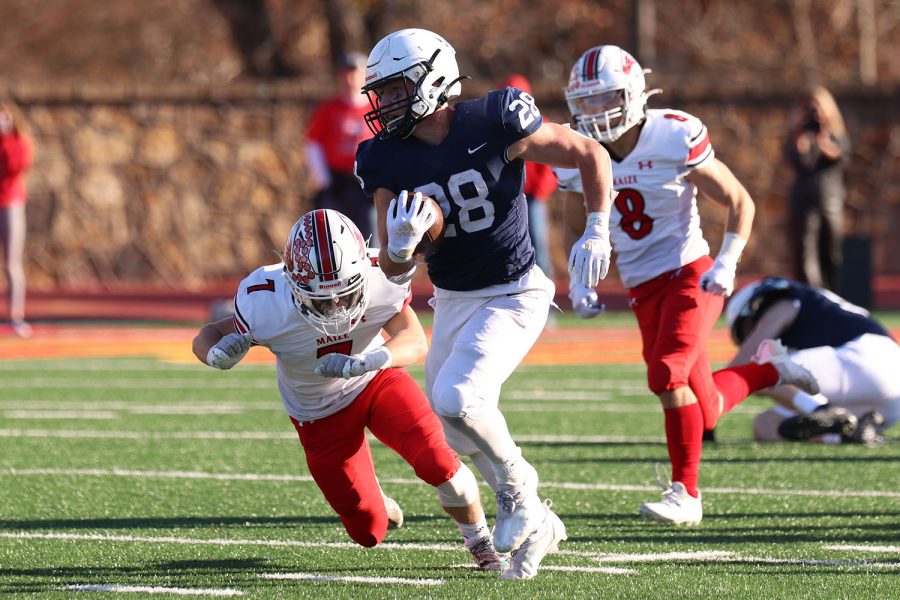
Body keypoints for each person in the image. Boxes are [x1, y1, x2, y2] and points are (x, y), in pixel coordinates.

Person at [354, 28, 615, 579]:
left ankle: (521, 495)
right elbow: (396, 271)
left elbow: (588, 151)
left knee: (460, 396)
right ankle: (538, 518)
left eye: (397, 89)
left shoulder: (494, 120)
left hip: (515, 291)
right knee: (452, 429)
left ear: (433, 78)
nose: (386, 104)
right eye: (383, 93)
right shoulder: (385, 158)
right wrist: (399, 249)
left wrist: (596, 229)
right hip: (451, 298)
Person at [556, 45, 820, 525]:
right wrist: (581, 279)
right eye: (587, 102)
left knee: (666, 374)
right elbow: (582, 219)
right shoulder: (575, 153)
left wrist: (727, 261)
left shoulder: (672, 136)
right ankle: (769, 370)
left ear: (634, 95)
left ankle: (687, 494)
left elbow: (739, 200)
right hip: (641, 286)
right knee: (709, 409)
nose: (595, 113)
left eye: (606, 99)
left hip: (688, 272)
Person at [192, 209, 505, 570]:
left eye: (346, 293)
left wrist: (367, 362)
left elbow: (415, 341)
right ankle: (375, 499)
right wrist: (215, 354)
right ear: (293, 284)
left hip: (375, 381)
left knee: (439, 462)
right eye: (322, 300)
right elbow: (210, 333)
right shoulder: (266, 302)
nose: (337, 306)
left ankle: (480, 540)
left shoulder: (380, 275)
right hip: (317, 413)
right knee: (368, 531)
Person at [725, 276, 898, 446]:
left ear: (753, 307)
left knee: (756, 371)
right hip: (889, 397)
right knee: (766, 425)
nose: (748, 338)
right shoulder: (813, 307)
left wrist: (707, 400)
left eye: (745, 330)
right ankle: (849, 434)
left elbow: (742, 367)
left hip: (865, 357)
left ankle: (823, 409)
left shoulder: (784, 299)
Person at [304, 52, 375, 240]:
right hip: (339, 184)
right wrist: (325, 180)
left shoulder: (378, 107)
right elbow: (313, 145)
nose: (350, 78)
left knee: (371, 235)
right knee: (333, 237)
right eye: (345, 73)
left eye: (355, 72)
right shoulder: (328, 110)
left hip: (368, 184)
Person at [785, 85, 850, 291]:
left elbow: (841, 158)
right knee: (804, 255)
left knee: (830, 254)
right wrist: (799, 135)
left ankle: (830, 299)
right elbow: (796, 161)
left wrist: (823, 140)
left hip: (830, 200)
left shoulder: (836, 135)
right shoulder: (797, 136)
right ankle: (811, 297)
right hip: (803, 201)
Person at [499, 75, 559, 283]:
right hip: (506, 199)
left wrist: (536, 192)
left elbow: (549, 167)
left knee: (539, 249)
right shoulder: (494, 128)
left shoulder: (539, 124)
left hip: (531, 198)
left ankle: (548, 306)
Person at [0, 100, 34, 338]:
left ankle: (16, 317)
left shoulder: (19, 142)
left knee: (12, 263)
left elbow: (16, 166)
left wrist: (4, 140)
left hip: (11, 204)